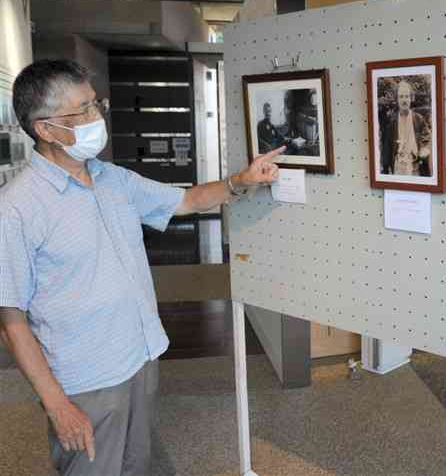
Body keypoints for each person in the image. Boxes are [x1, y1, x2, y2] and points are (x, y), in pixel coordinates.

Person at [0, 60, 285, 476]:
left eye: (96, 105)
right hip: (85, 380)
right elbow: (11, 320)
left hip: (140, 355)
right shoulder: (17, 207)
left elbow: (185, 201)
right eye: (82, 110)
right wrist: (58, 406)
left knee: (138, 464)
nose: (95, 117)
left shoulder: (111, 178)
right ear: (45, 129)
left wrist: (240, 181)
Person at [380, 80, 431, 176]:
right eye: (401, 96)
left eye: (407, 96)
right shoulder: (391, 121)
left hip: (415, 167)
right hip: (398, 167)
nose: (404, 100)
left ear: (411, 98)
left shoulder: (418, 119)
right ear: (397, 99)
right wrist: (385, 169)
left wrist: (424, 148)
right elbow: (386, 147)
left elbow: (427, 137)